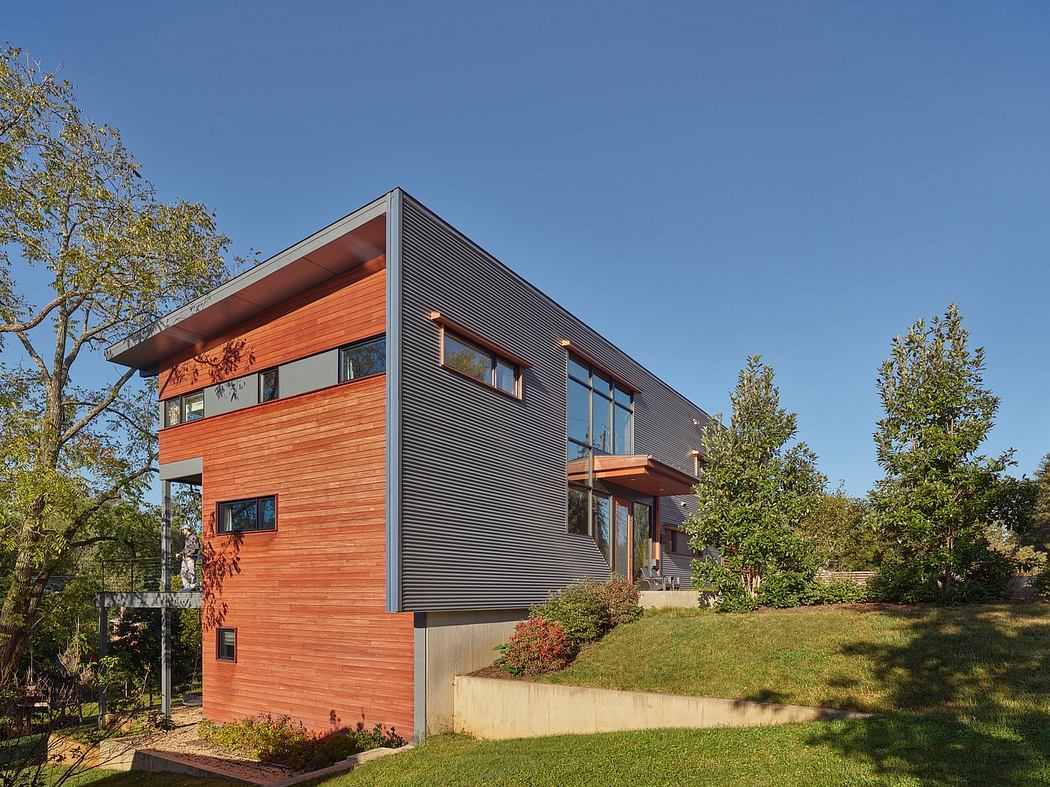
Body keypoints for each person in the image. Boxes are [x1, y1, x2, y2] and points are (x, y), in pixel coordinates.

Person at [177, 525, 200, 591]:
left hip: (191, 558)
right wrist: (180, 554)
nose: (182, 531)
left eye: (183, 529)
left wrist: (190, 554)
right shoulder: (186, 538)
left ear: (187, 529)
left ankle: (193, 586)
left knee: (191, 572)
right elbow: (185, 549)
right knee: (183, 572)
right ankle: (187, 587)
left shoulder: (194, 537)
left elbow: (197, 548)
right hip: (185, 558)